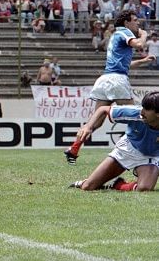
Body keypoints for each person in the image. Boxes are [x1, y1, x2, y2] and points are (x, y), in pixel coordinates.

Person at [64, 10, 156, 164]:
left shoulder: (115, 36)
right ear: (126, 23)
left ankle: (74, 147)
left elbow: (122, 64)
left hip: (105, 79)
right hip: (117, 81)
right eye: (135, 20)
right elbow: (140, 44)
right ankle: (141, 151)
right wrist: (144, 34)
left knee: (96, 122)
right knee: (139, 116)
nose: (138, 23)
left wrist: (142, 61)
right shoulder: (124, 32)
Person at [69, 91, 159, 192]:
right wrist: (88, 126)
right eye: (142, 107)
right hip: (128, 149)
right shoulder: (134, 113)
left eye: (146, 109)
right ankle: (87, 182)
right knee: (88, 187)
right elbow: (103, 109)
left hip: (150, 156)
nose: (142, 112)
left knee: (144, 188)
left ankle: (119, 185)